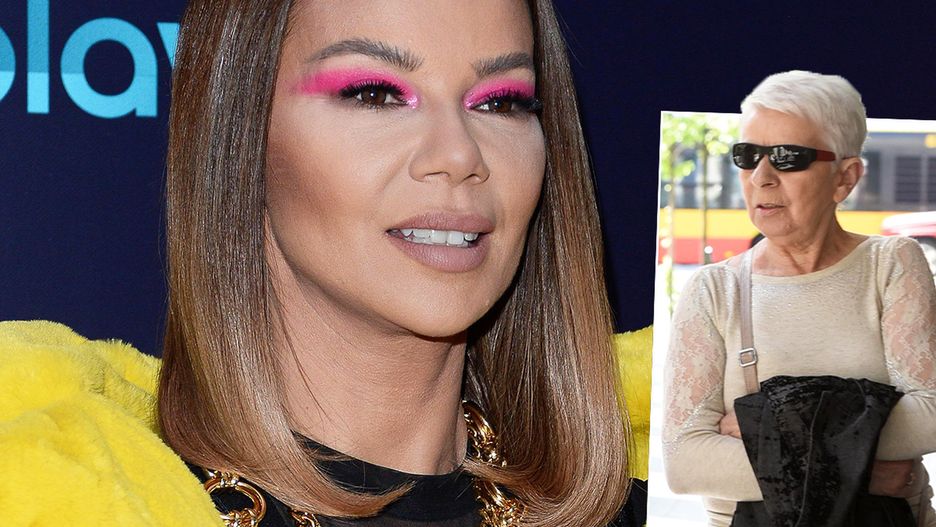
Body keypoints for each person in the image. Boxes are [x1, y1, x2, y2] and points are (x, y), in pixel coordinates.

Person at [144, 0, 645, 526]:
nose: (459, 155)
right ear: (238, 133)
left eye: (501, 102)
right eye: (375, 94)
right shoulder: (128, 504)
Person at [662, 70, 936, 526]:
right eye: (748, 155)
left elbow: (931, 411)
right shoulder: (713, 290)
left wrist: (764, 426)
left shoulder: (891, 264)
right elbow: (685, 462)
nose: (761, 177)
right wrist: (864, 472)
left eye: (788, 157)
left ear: (845, 178)